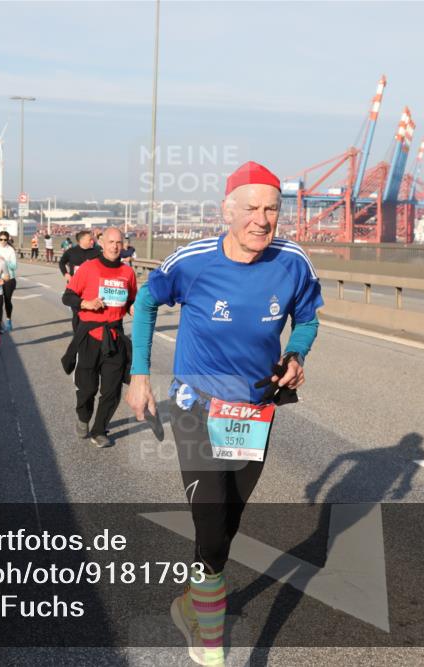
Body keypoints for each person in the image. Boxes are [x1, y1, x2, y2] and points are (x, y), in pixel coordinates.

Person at [126, 161, 322, 666]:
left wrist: (296, 355)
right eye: (251, 208)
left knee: (228, 520)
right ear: (228, 211)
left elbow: (307, 317)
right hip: (195, 403)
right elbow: (146, 302)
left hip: (254, 411)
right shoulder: (193, 261)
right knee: (211, 518)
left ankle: (192, 602)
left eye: (272, 209)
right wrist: (141, 375)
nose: (262, 219)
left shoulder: (293, 261)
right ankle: (211, 645)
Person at [61, 227, 137, 448]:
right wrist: (85, 304)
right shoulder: (88, 268)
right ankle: (84, 417)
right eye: (111, 242)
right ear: (101, 243)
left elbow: (132, 299)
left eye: (119, 243)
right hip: (90, 336)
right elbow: (68, 296)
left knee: (112, 389)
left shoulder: (128, 273)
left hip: (114, 336)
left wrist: (133, 307)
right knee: (87, 388)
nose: (115, 246)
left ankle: (99, 429)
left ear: (123, 246)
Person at [58, 230, 102, 331]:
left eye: (92, 239)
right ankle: (77, 337)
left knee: (91, 314)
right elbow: (61, 262)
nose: (92, 241)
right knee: (77, 313)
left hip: (91, 288)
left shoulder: (96, 253)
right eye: (90, 239)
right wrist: (66, 273)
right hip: (75, 288)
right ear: (81, 240)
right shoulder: (71, 252)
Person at [0, 230, 18, 331]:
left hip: (9, 279)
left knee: (7, 301)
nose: (3, 241)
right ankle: (0, 323)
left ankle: (8, 320)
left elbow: (14, 266)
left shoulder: (11, 250)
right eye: (1, 239)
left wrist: (4, 261)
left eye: (5, 239)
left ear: (8, 239)